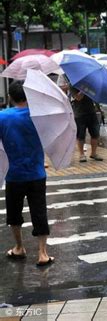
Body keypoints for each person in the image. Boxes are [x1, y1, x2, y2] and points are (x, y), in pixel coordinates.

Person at [0, 81, 54, 266]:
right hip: (37, 173)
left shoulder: (3, 116)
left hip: (13, 174)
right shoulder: (39, 117)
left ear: (10, 97)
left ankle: (19, 247)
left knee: (14, 212)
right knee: (39, 211)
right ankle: (42, 253)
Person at [70, 87, 103, 162]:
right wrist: (85, 89)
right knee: (80, 135)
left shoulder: (90, 83)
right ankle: (82, 154)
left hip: (91, 111)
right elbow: (78, 97)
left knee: (95, 133)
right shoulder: (72, 84)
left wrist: (99, 108)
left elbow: (95, 96)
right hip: (79, 113)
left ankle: (93, 153)